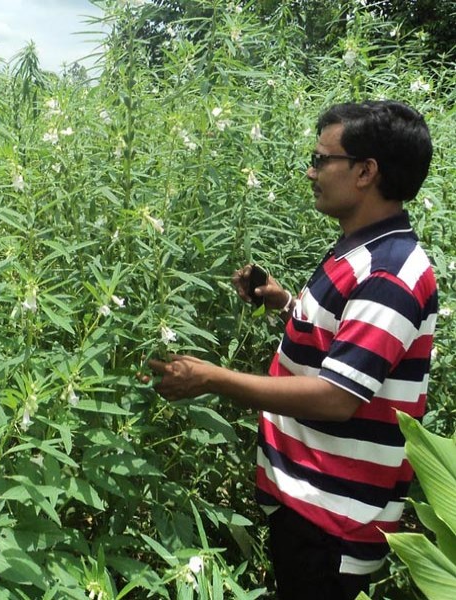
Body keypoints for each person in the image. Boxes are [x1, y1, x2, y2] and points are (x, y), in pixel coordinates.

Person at [139, 100, 437, 600]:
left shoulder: (390, 271)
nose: (311, 171)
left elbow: (337, 396)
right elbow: (343, 340)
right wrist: (282, 302)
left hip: (334, 522)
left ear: (365, 171)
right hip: (307, 501)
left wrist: (210, 378)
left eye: (322, 160)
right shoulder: (359, 248)